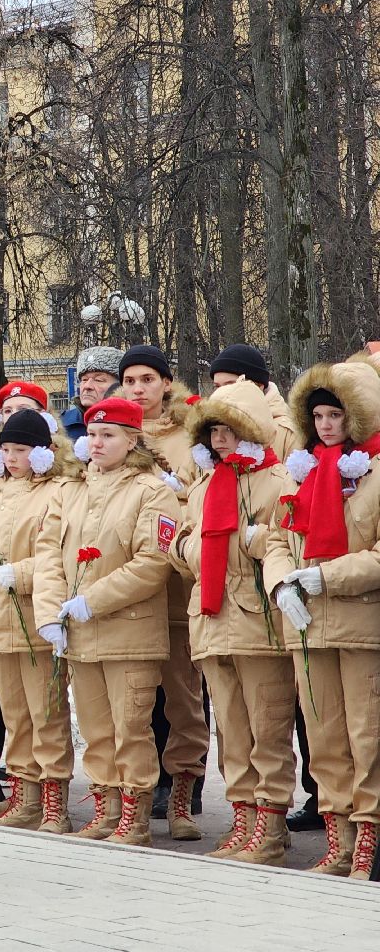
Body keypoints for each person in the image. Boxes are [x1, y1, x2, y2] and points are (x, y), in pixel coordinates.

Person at [33, 397, 181, 846]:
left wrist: (91, 600)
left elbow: (153, 560)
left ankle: (134, 818)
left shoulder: (151, 489)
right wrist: (51, 612)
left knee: (130, 727)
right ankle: (105, 808)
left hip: (128, 631)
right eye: (91, 434)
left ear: (132, 440)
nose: (95, 443)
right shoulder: (71, 488)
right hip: (79, 632)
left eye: (107, 435)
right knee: (97, 729)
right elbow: (47, 554)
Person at [263, 359, 380, 879]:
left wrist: (328, 577)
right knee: (324, 737)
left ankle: (368, 843)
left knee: (366, 735)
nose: (326, 426)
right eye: (318, 417)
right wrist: (282, 580)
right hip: (308, 626)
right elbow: (275, 537)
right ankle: (339, 838)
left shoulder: (374, 472)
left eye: (336, 415)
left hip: (360, 622)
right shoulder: (302, 471)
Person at [171, 378, 295, 864]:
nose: (219, 440)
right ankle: (243, 819)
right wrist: (189, 549)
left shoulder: (277, 478)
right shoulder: (204, 484)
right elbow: (182, 539)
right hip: (210, 617)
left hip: (256, 621)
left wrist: (248, 538)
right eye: (212, 431)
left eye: (229, 430)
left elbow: (285, 541)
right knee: (232, 731)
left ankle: (272, 824)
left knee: (268, 727)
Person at [0, 409, 82, 833]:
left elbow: (62, 552)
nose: (12, 458)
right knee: (14, 714)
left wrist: (24, 573)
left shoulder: (60, 490)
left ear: (43, 452)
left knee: (46, 712)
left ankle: (55, 803)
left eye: (21, 450)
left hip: (34, 616)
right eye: (7, 449)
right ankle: (25, 793)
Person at [119, 344, 208, 837]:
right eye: (130, 380)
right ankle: (133, 795)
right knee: (134, 700)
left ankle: (182, 797)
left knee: (182, 697)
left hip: (176, 587)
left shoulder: (187, 434)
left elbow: (198, 495)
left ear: (166, 383)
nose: (138, 389)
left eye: (147, 379)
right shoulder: (113, 434)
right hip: (129, 596)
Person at [210, 344, 299, 460]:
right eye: (217, 387)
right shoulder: (211, 431)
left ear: (259, 386)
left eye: (231, 385)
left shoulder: (287, 434)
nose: (222, 394)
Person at [61, 346, 123, 441]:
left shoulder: (132, 425)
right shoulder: (60, 425)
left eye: (99, 380)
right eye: (84, 380)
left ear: (119, 386)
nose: (87, 386)